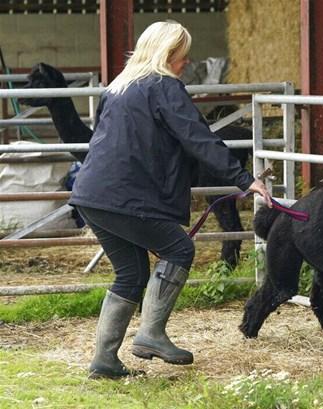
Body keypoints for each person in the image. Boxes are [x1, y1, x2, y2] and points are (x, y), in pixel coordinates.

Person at [69, 20, 271, 379]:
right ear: (167, 54)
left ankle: (105, 361)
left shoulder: (117, 88)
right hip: (122, 196)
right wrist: (244, 180)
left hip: (91, 194)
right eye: (182, 56)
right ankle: (150, 334)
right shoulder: (164, 87)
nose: (185, 63)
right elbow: (198, 138)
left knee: (131, 274)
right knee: (179, 249)